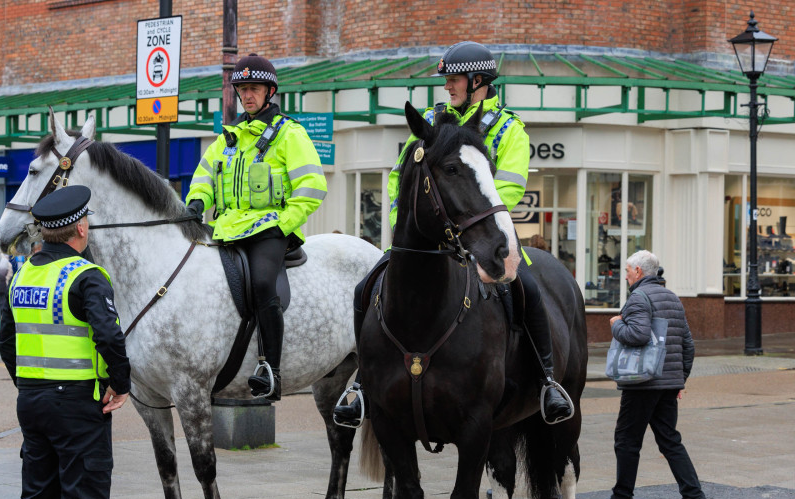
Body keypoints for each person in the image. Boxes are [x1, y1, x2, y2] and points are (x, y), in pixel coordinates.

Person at [333, 40, 573, 427]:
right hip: (428, 237)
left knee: (526, 289)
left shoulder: (509, 129)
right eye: (446, 79)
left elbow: (507, 189)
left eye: (454, 79)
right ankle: (362, 381)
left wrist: (470, 227)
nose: (447, 86)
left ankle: (547, 381)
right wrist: (403, 222)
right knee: (366, 288)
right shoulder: (431, 123)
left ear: (478, 80)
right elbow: (401, 178)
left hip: (483, 237)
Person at [0, 185, 130, 499]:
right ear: (79, 228)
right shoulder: (86, 275)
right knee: (85, 496)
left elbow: (6, 339)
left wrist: (26, 384)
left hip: (32, 399)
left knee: (38, 495)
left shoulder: (22, 275)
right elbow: (109, 337)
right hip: (76, 402)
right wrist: (120, 384)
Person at [184, 53, 327, 400]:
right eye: (242, 89)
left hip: (269, 230)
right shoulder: (227, 139)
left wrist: (284, 223)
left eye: (255, 88)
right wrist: (196, 202)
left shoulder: (289, 134)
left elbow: (312, 185)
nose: (247, 95)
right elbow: (203, 177)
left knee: (264, 283)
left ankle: (270, 370)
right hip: (225, 229)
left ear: (269, 91)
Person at [591, 250, 707, 499]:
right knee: (669, 440)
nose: (626, 277)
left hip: (642, 382)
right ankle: (693, 494)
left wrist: (616, 324)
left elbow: (638, 334)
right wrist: (679, 380)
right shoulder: (673, 298)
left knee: (626, 439)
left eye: (628, 272)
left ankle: (622, 498)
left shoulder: (638, 298)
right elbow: (688, 345)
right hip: (667, 383)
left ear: (639, 272)